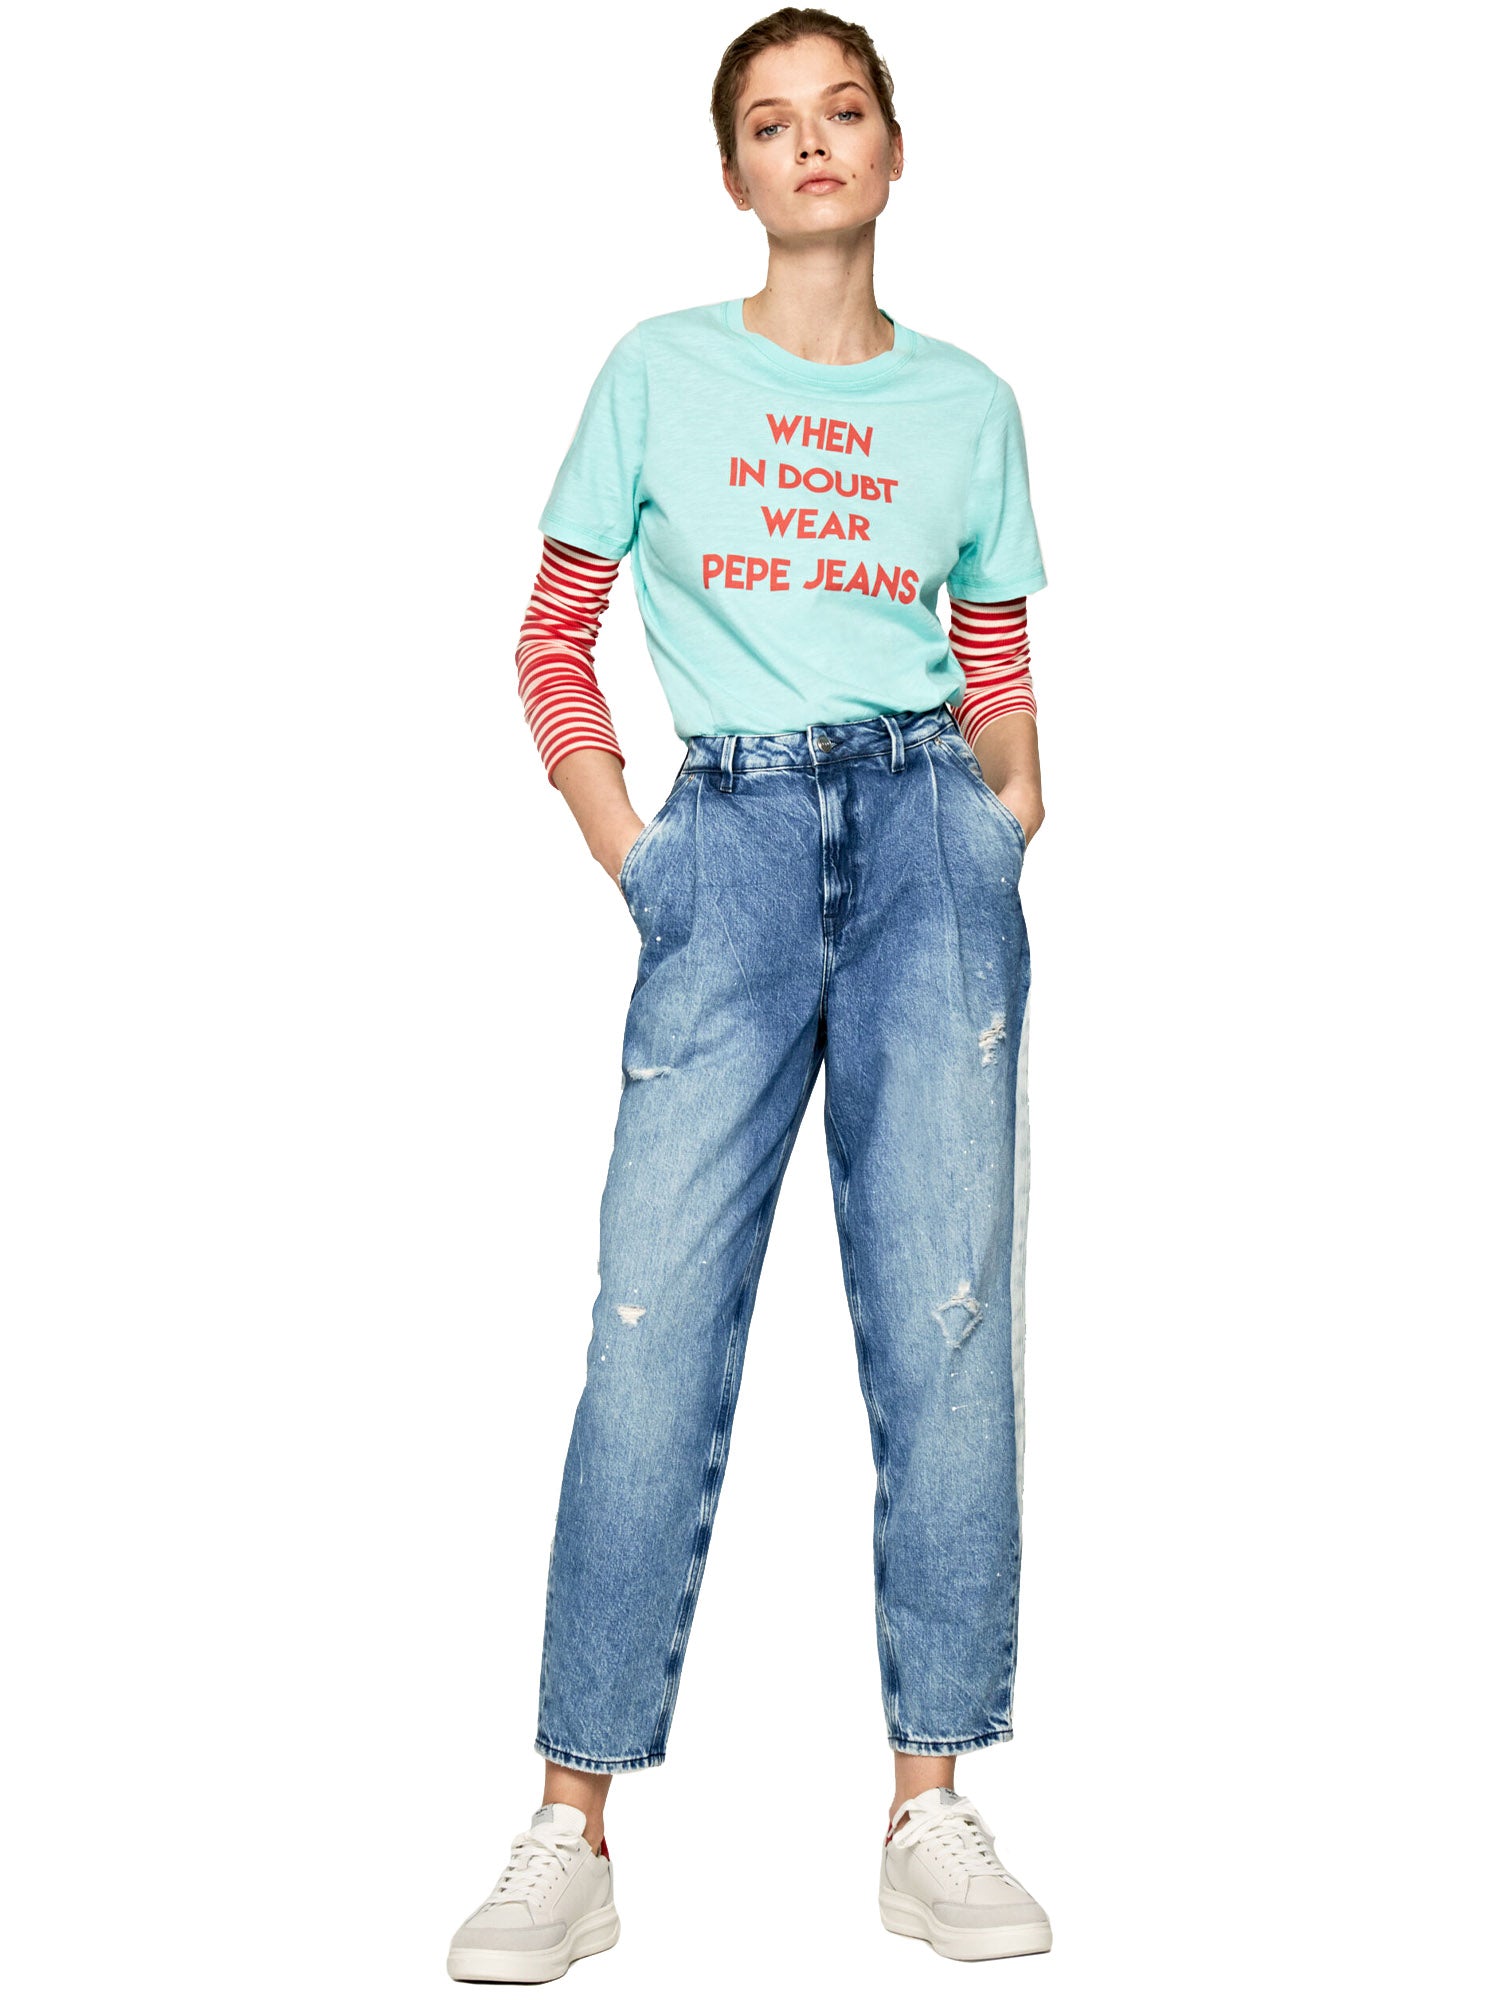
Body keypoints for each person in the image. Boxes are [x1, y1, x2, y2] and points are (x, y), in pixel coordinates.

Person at [447, 9, 1053, 1979]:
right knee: (648, 1327)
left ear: (891, 149)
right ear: (732, 173)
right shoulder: (657, 372)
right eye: (772, 123)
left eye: (842, 111)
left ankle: (930, 1801)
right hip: (727, 846)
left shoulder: (969, 403)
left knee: (947, 1324)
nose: (811, 144)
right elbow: (552, 636)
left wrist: (1008, 818)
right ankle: (571, 1822)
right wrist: (635, 849)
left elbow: (994, 654)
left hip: (930, 855)